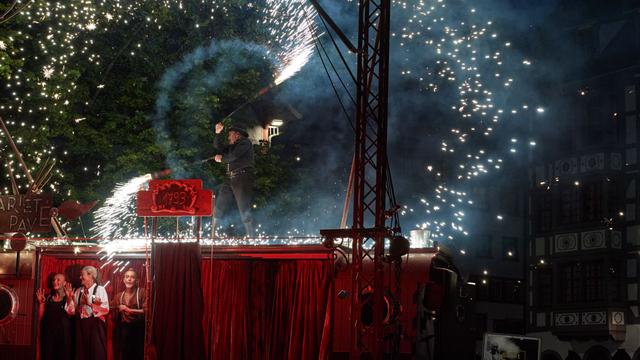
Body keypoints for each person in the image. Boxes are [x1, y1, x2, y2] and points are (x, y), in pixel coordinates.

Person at [213, 121, 255, 236]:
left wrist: (221, 159)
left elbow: (234, 156)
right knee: (220, 202)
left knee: (243, 205)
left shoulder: (245, 143)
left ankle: (250, 236)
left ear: (237, 135)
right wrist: (217, 133)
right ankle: (212, 233)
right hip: (231, 177)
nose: (228, 137)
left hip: (242, 176)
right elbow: (219, 147)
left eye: (230, 134)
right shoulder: (233, 146)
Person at [65, 265, 109, 360]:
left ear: (91, 275)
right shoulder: (78, 291)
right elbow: (71, 311)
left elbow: (105, 309)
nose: (80, 277)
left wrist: (89, 303)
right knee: (81, 354)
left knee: (96, 353)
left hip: (96, 329)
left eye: (82, 275)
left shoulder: (100, 290)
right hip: (81, 328)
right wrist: (69, 299)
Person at [36, 273, 73, 360]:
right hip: (48, 334)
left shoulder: (68, 297)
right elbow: (41, 317)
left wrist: (69, 299)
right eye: (54, 280)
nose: (55, 282)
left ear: (64, 283)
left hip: (63, 335)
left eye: (58, 280)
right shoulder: (48, 297)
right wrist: (41, 303)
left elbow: (71, 313)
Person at [113, 268, 146, 360]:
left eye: (132, 277)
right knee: (125, 353)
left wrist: (129, 310)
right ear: (123, 280)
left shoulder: (142, 292)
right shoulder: (119, 296)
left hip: (139, 328)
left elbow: (146, 310)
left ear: (136, 280)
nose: (129, 279)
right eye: (127, 277)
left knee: (138, 353)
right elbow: (109, 308)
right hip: (124, 328)